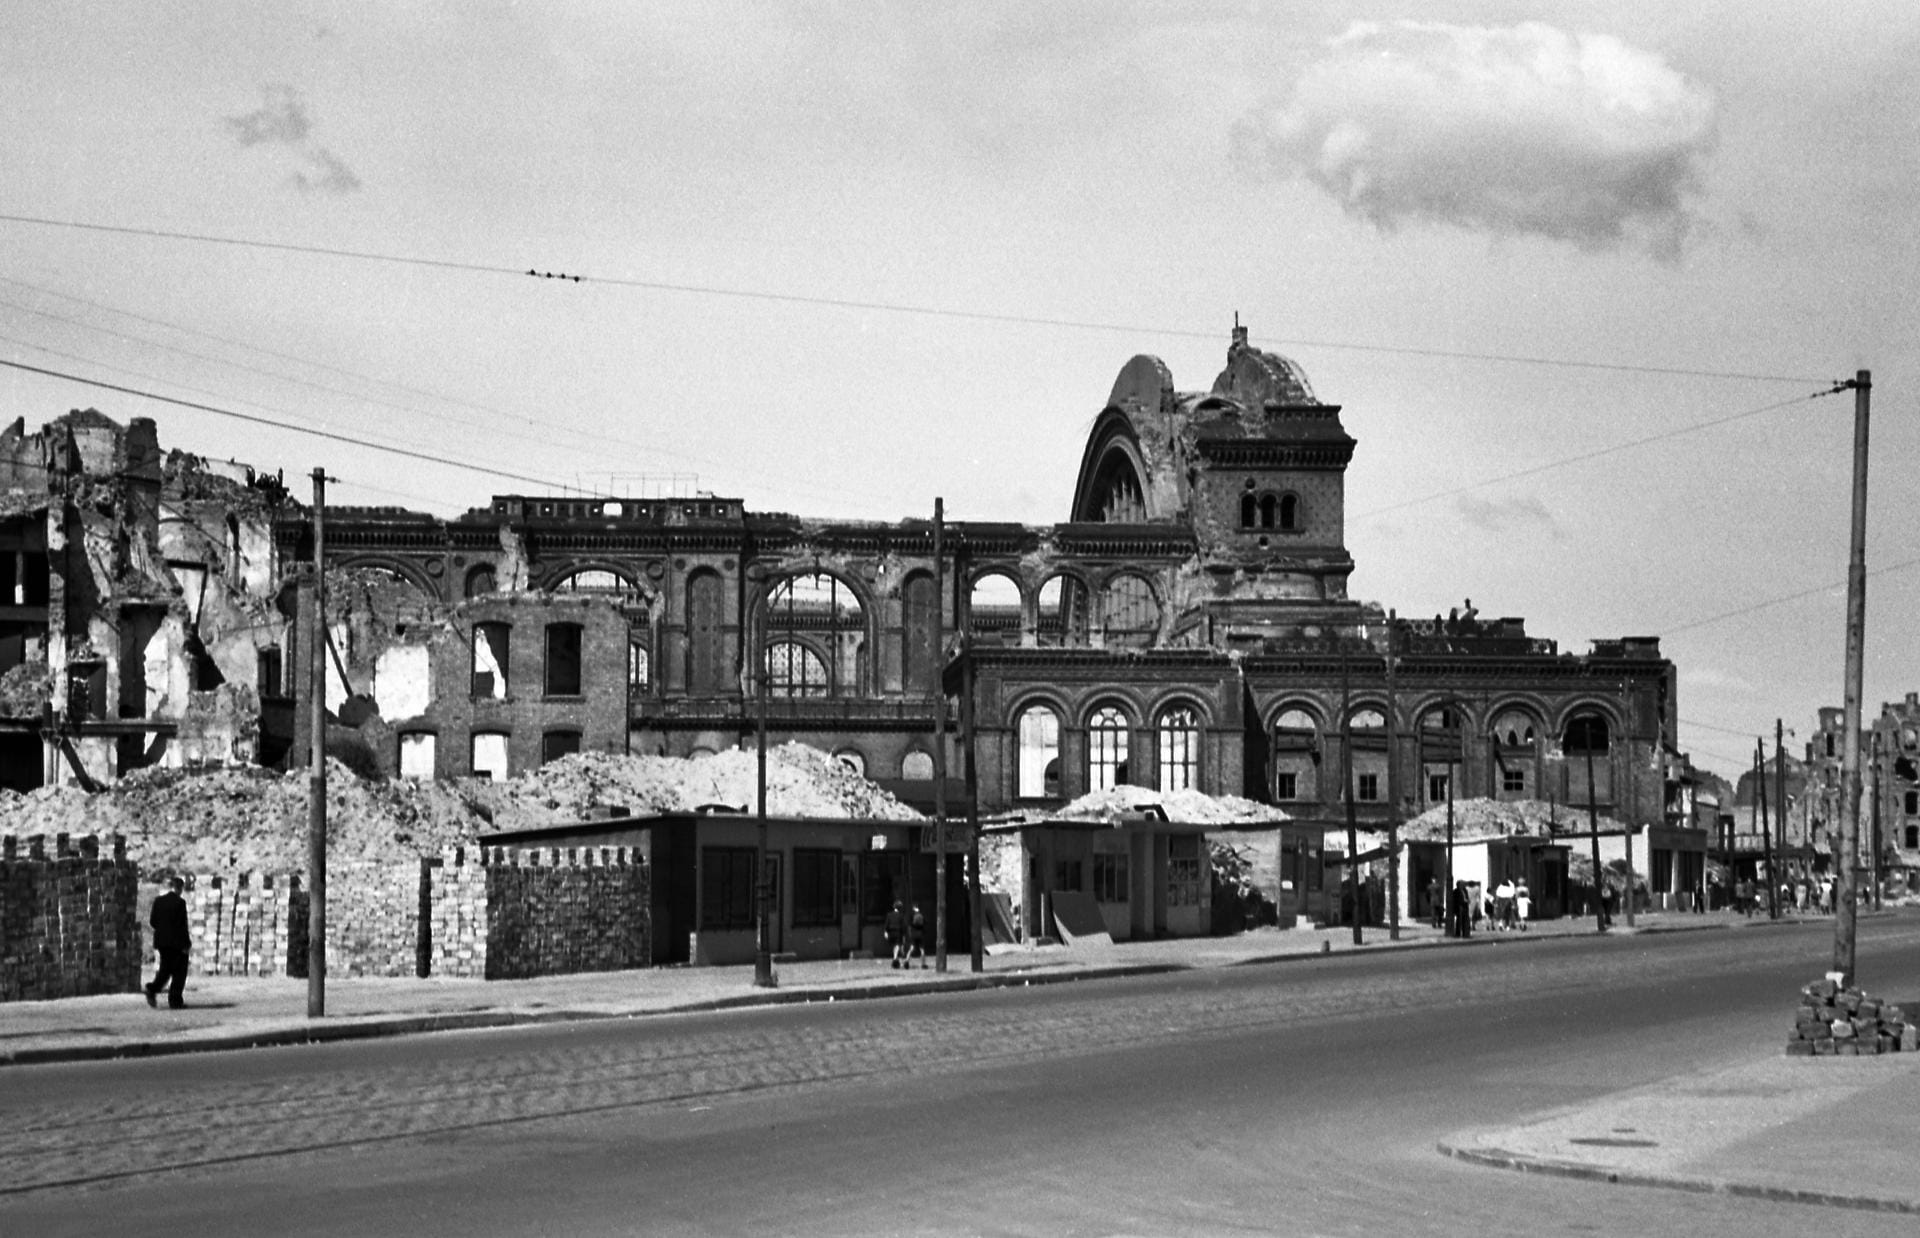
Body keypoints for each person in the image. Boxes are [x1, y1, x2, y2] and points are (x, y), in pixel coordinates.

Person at [145, 876, 190, 1009]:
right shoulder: (180, 903)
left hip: (162, 942)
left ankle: (152, 989)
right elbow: (183, 925)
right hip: (177, 942)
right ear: (179, 888)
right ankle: (175, 1000)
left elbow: (153, 921)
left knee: (166, 969)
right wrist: (186, 943)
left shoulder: (158, 901)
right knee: (180, 972)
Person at [884, 899, 907, 968]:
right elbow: (903, 926)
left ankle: (896, 961)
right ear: (900, 908)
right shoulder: (901, 916)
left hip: (891, 932)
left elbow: (886, 924)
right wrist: (904, 935)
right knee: (897, 945)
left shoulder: (889, 915)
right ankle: (895, 959)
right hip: (898, 932)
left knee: (894, 946)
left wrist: (886, 932)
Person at [906, 904, 928, 968]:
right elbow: (925, 923)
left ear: (913, 909)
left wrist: (910, 933)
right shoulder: (921, 915)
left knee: (912, 948)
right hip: (920, 934)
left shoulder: (912, 915)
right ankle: (923, 964)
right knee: (922, 949)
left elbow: (909, 925)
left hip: (913, 934)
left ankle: (906, 961)